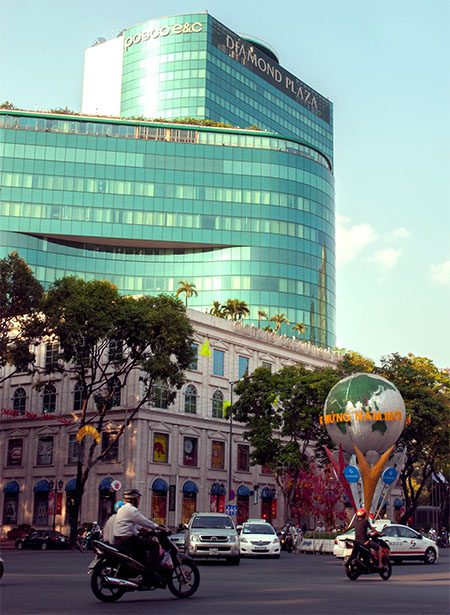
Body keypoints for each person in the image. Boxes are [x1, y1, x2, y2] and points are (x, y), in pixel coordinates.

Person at [113, 489, 162, 572]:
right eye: (138, 499)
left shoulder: (123, 509)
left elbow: (134, 524)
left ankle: (141, 570)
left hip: (120, 539)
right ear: (133, 499)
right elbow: (144, 521)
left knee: (141, 551)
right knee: (154, 545)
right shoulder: (131, 510)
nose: (139, 501)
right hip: (127, 539)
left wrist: (143, 529)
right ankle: (152, 572)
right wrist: (158, 527)